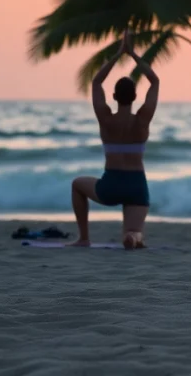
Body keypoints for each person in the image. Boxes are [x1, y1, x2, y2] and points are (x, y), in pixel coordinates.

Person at [68, 28, 160, 250]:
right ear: (135, 97)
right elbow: (154, 81)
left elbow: (97, 83)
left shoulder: (106, 120)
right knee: (134, 231)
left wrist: (119, 54)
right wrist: (135, 55)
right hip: (137, 184)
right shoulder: (142, 120)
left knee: (77, 185)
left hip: (111, 184)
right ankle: (133, 238)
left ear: (115, 97)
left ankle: (83, 238)